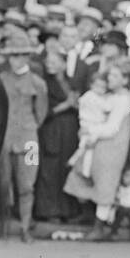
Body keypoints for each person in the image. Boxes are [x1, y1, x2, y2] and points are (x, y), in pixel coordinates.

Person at [63, 61, 130, 240]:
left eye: (115, 76)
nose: (109, 79)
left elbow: (112, 127)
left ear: (125, 80)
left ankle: (99, 226)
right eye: (110, 75)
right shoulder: (110, 97)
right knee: (90, 178)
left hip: (113, 146)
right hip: (102, 145)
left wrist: (91, 130)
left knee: (106, 185)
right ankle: (95, 220)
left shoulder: (124, 99)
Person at [0, 26, 49, 243]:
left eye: (21, 55)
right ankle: (1, 227)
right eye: (13, 55)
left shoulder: (38, 83)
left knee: (27, 184)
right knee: (2, 183)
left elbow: (41, 114)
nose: (16, 59)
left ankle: (25, 228)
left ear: (28, 56)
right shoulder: (0, 79)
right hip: (4, 138)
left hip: (29, 141)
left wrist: (29, 128)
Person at [34, 34, 80, 223]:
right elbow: (43, 111)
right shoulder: (45, 83)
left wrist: (75, 104)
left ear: (63, 63)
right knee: (50, 169)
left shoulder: (71, 81)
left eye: (54, 61)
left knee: (65, 168)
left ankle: (67, 211)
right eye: (48, 61)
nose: (50, 65)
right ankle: (49, 211)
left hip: (69, 130)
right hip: (52, 128)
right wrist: (67, 105)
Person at [69, 72, 112, 180]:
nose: (100, 89)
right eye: (97, 86)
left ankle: (76, 160)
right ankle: (84, 170)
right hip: (90, 124)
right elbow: (107, 108)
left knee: (86, 147)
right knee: (88, 147)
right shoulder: (94, 97)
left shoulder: (89, 96)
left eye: (103, 87)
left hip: (90, 124)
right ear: (91, 85)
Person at [109, 164, 130, 241]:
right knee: (120, 214)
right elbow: (117, 199)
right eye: (127, 176)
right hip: (121, 207)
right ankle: (114, 232)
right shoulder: (119, 187)